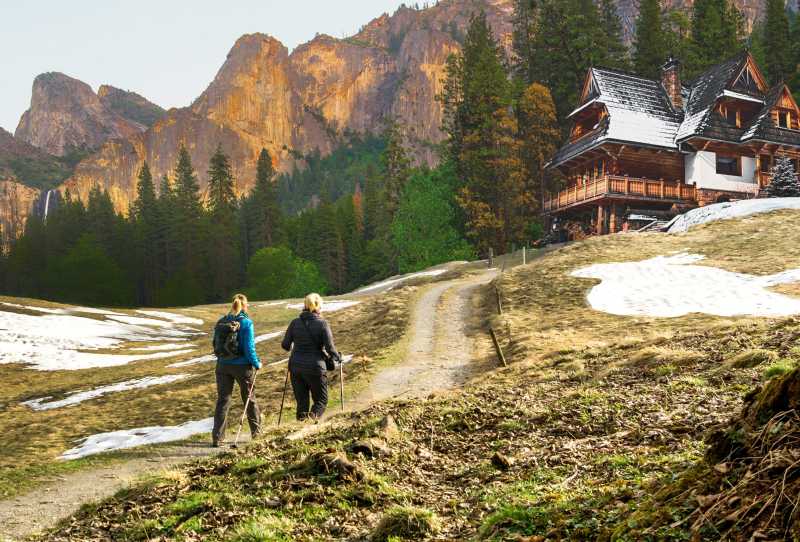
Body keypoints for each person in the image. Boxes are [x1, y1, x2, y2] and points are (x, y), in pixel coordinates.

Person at [211, 293, 262, 447]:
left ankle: (217, 438)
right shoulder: (246, 323)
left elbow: (215, 343)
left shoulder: (222, 321)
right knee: (249, 398)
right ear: (245, 305)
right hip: (242, 367)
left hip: (222, 365)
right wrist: (257, 363)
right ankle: (256, 433)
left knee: (223, 400)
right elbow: (249, 347)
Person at [281, 293, 340, 421]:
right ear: (318, 306)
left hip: (296, 367)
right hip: (315, 367)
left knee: (302, 403)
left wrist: (297, 347)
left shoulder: (294, 323)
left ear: (305, 305)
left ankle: (300, 425)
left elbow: (285, 345)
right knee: (321, 401)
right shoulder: (322, 324)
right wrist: (337, 357)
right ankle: (312, 420)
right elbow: (330, 348)